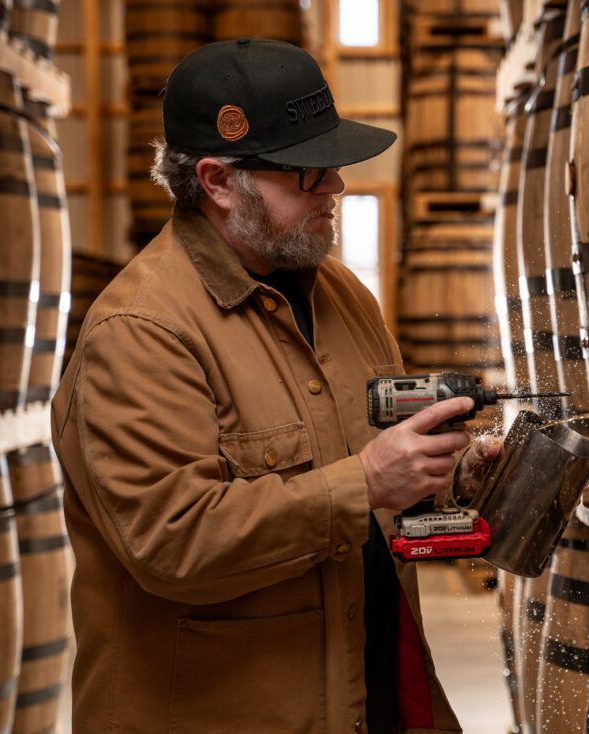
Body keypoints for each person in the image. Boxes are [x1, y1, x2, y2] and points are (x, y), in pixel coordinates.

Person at [51, 39, 500, 733]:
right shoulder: (140, 333)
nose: (337, 190)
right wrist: (368, 484)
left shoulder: (345, 298)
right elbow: (174, 543)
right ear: (218, 181)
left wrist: (453, 478)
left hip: (370, 697)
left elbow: (378, 478)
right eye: (309, 175)